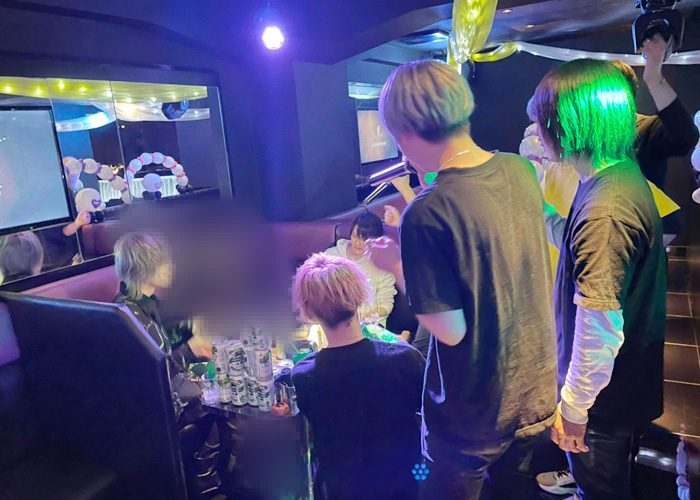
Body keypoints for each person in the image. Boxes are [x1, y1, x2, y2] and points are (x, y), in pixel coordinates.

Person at [376, 59, 557, 500]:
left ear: (405, 133)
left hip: (474, 415)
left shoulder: (427, 211)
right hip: (535, 393)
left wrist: (396, 267)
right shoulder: (519, 170)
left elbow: (450, 330)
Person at [535, 33, 693, 496]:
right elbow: (574, 240)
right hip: (623, 388)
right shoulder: (615, 175)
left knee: (599, 489)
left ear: (568, 124)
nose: (538, 134)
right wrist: (537, 208)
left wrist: (573, 409)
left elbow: (598, 327)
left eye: (542, 122)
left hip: (601, 402)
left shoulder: (605, 211)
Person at [291, 253, 425, 500]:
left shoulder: (303, 374)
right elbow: (434, 421)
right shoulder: (405, 358)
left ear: (309, 311)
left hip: (338, 490)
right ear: (360, 296)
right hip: (404, 486)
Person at [113, 232, 219, 499]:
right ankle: (203, 486)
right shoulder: (125, 316)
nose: (172, 267)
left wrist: (194, 334)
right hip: (155, 408)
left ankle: (213, 480)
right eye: (165, 263)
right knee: (221, 404)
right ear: (146, 268)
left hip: (176, 388)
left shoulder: (150, 304)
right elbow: (147, 377)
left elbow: (177, 339)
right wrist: (190, 351)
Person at [325, 212, 396, 325]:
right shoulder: (331, 256)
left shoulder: (383, 265)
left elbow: (386, 303)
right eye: (355, 236)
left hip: (369, 325)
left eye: (364, 239)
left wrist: (372, 314)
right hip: (335, 321)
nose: (358, 243)